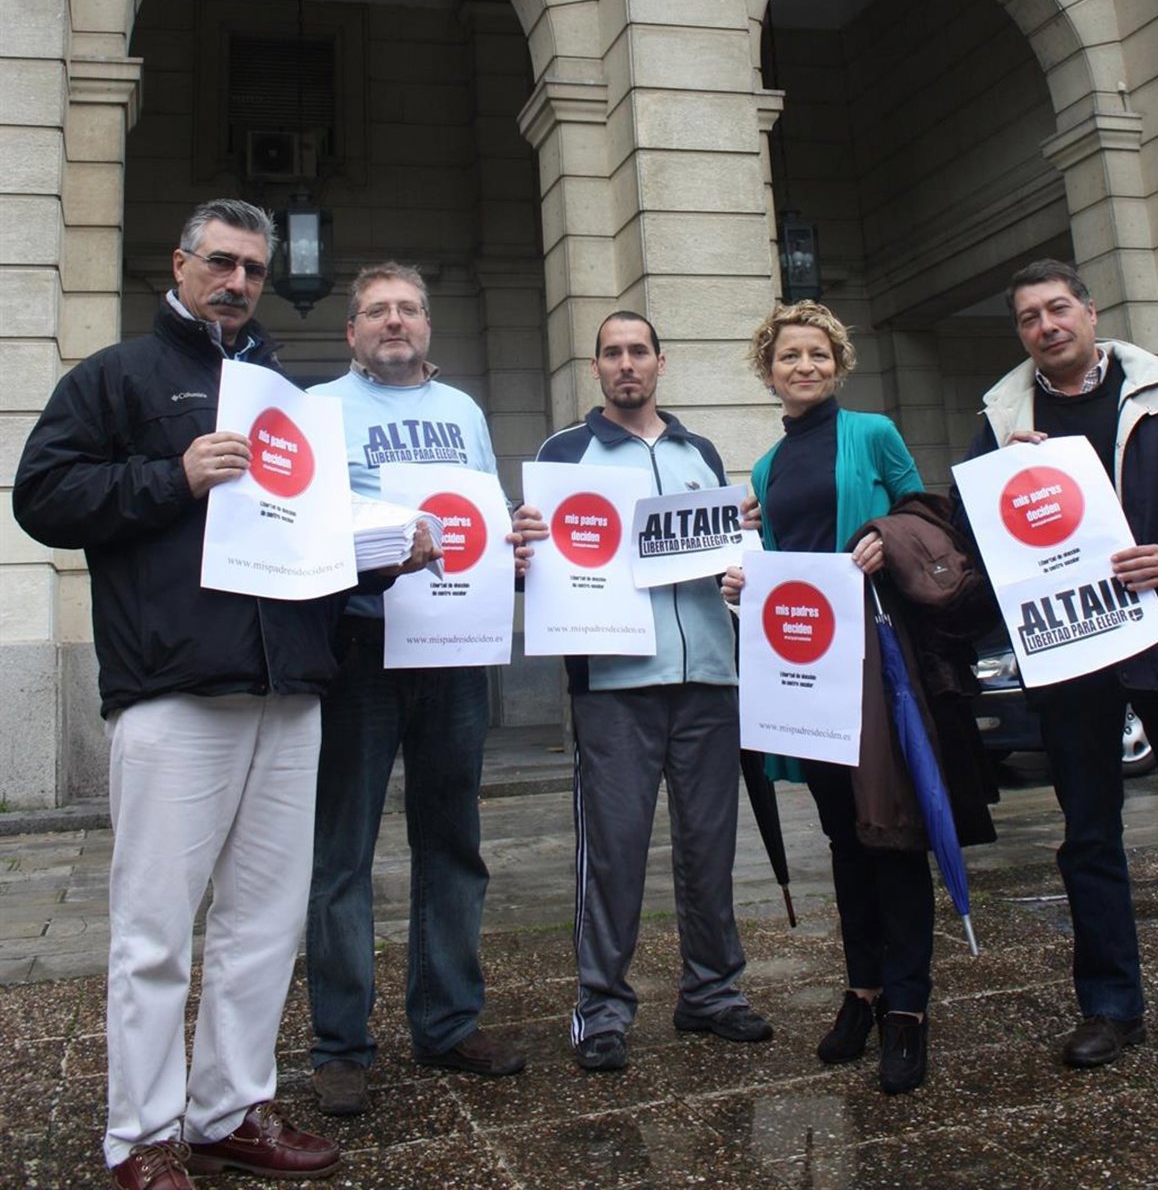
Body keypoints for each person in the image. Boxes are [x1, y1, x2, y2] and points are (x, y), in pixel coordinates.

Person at [12, 200, 343, 1190]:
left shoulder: (286, 395)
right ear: (181, 263)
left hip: (289, 687)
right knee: (155, 929)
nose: (238, 281)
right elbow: (43, 495)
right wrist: (172, 475)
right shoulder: (118, 376)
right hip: (175, 687)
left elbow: (309, 534)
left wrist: (382, 549)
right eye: (222, 262)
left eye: (254, 268)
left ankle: (230, 1108)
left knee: (265, 922)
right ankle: (142, 1135)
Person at [724, 301, 995, 1096]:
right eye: (789, 355)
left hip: (880, 663)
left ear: (838, 362)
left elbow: (929, 519)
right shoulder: (767, 467)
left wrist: (886, 531)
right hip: (809, 671)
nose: (803, 365)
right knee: (844, 835)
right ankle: (864, 989)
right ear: (769, 370)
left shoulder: (873, 432)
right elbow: (782, 558)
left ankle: (908, 1006)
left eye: (817, 353)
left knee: (893, 832)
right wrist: (747, 581)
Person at [954, 258, 1158, 1069]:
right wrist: (1001, 473)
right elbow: (970, 537)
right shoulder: (1001, 421)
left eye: (1058, 308)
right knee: (1089, 835)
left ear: (1090, 312)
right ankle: (1111, 1006)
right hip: (1069, 657)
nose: (1046, 325)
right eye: (1029, 317)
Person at [513, 312, 773, 1072]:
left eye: (638, 351)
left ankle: (712, 992)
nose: (626, 363)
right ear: (596, 367)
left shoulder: (702, 453)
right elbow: (543, 562)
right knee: (614, 851)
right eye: (612, 353)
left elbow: (728, 560)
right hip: (614, 684)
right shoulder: (565, 453)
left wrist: (742, 560)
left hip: (708, 678)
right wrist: (522, 548)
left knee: (710, 847)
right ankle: (601, 1009)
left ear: (662, 361)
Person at [305, 262, 525, 1118]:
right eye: (376, 311)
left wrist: (514, 536)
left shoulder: (463, 409)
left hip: (453, 650)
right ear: (351, 331)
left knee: (453, 840)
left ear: (428, 324)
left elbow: (483, 512)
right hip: (360, 646)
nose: (393, 321)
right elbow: (304, 523)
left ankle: (446, 1021)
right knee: (342, 853)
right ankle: (341, 1044)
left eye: (407, 309)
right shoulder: (318, 408)